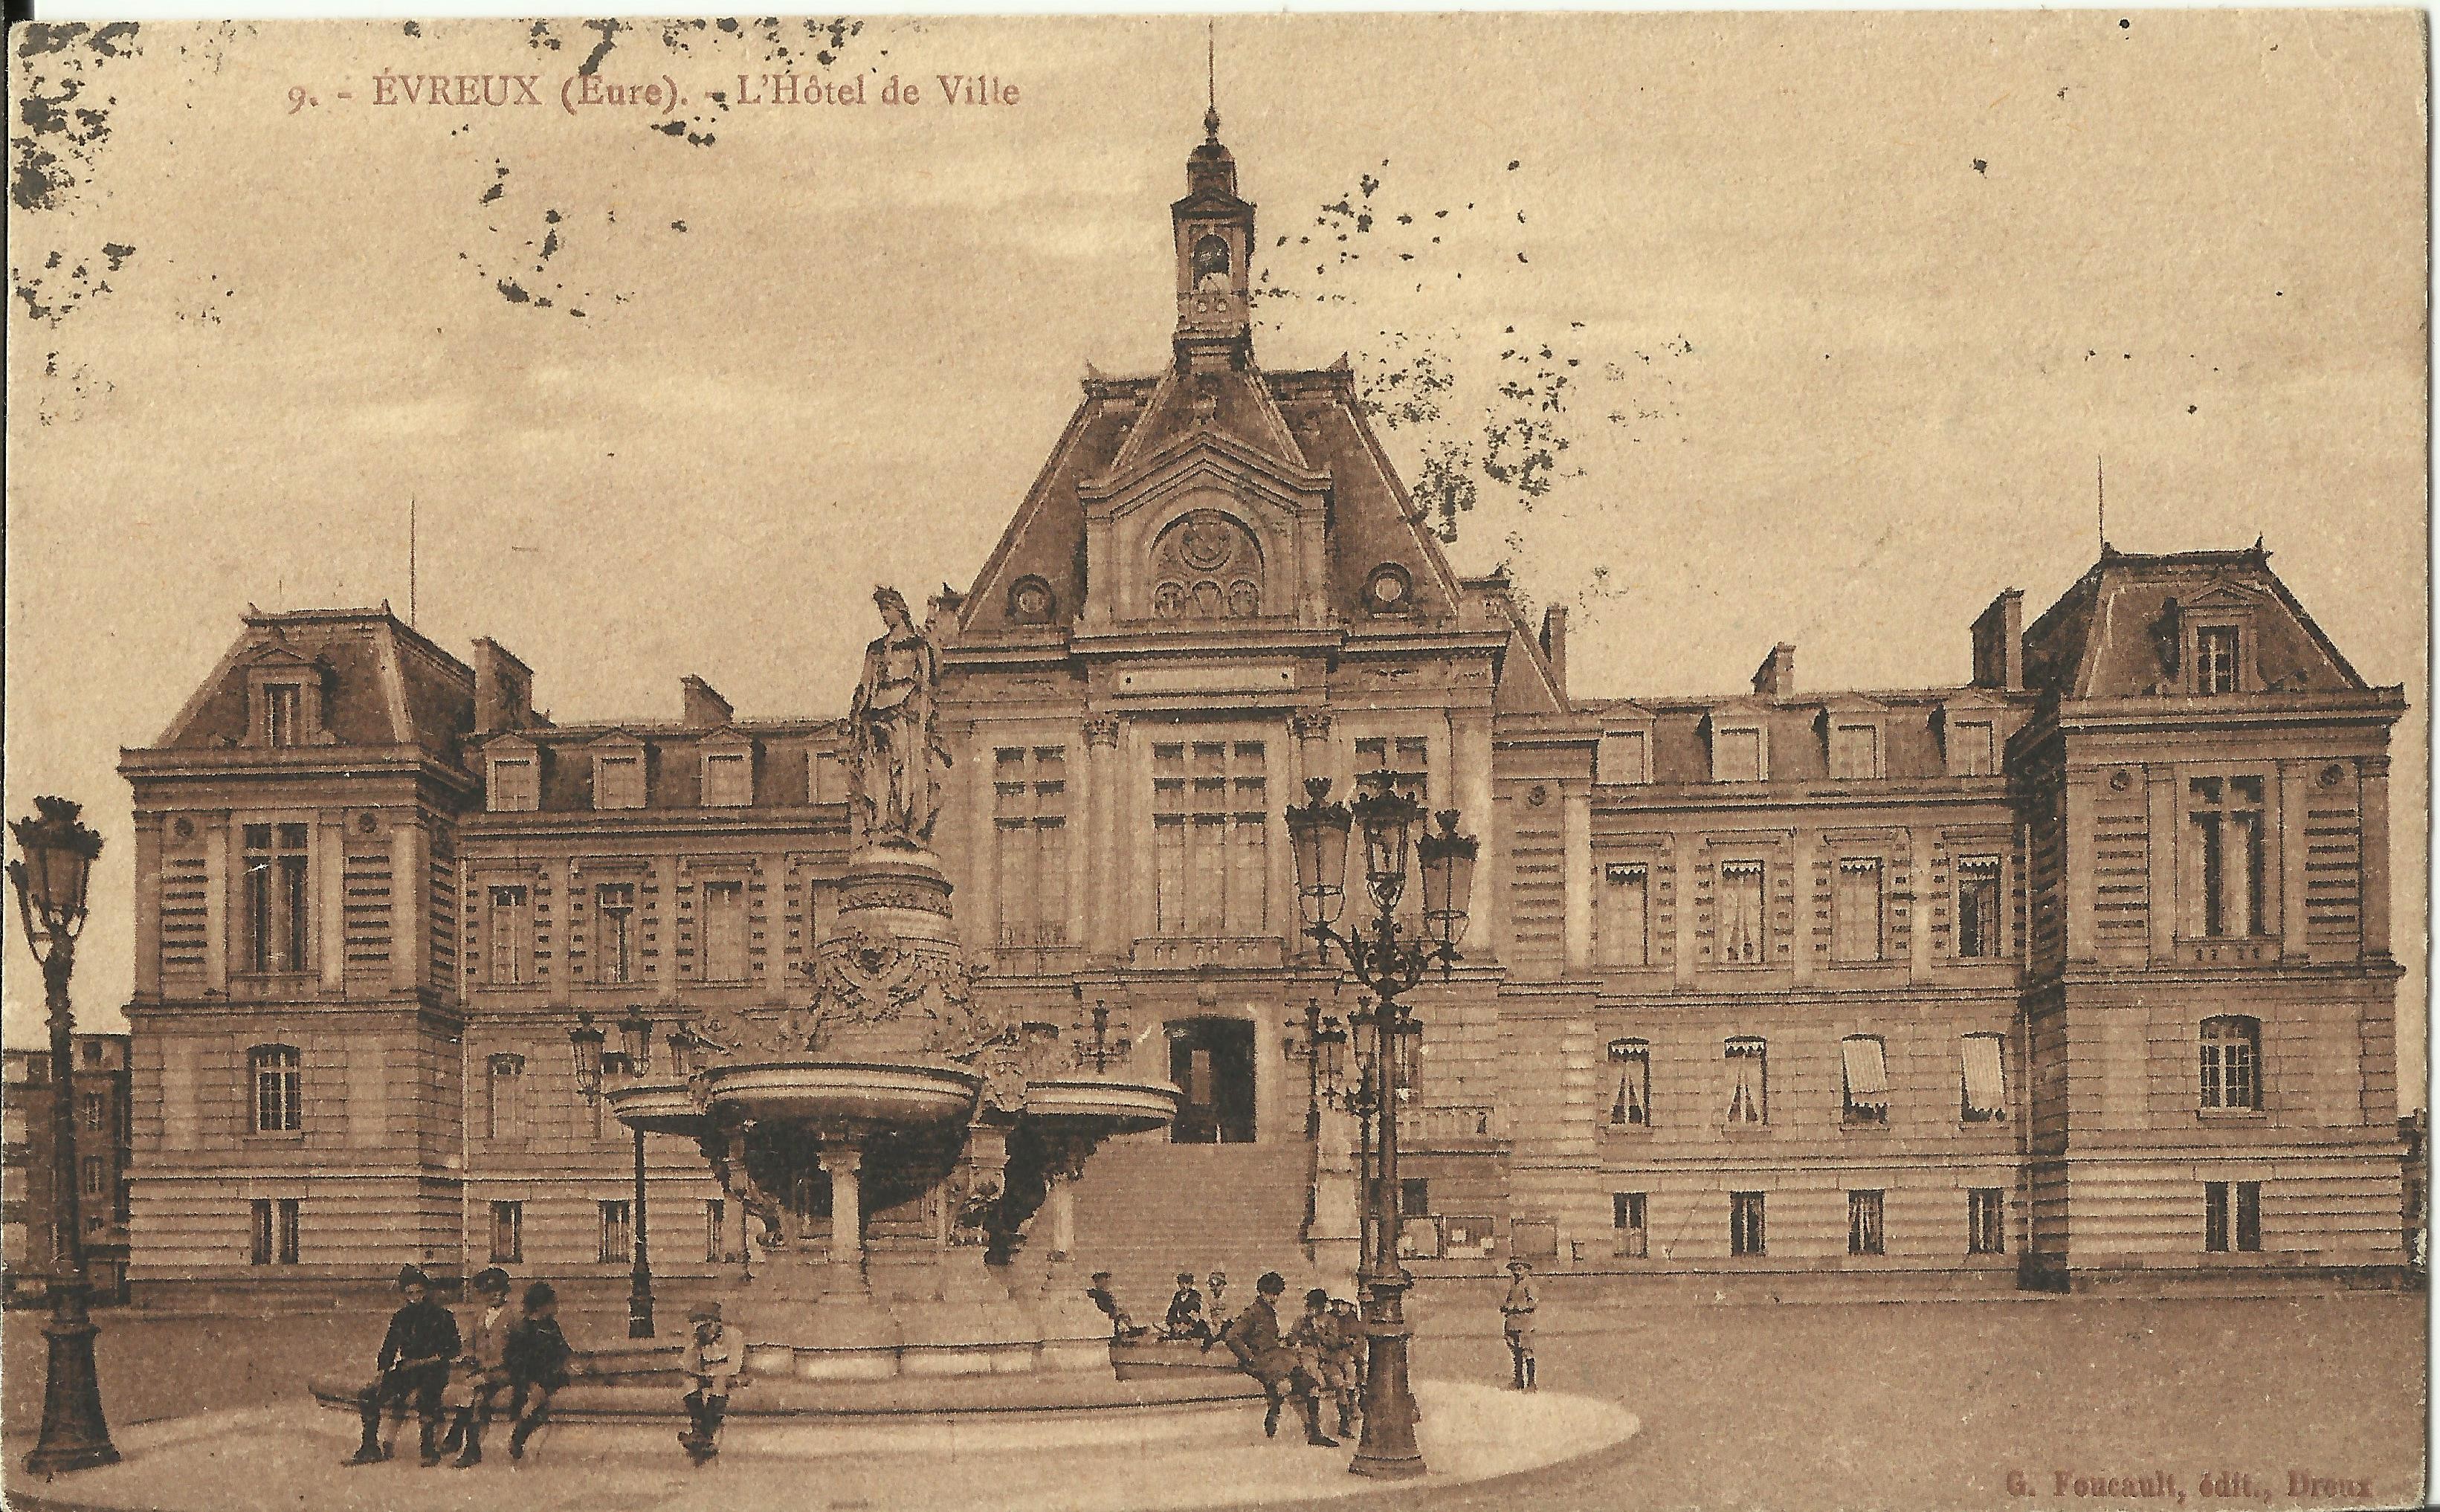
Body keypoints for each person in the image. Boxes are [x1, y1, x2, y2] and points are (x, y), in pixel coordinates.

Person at [347, 1264, 462, 1467]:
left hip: (434, 1369)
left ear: (426, 1291)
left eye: (419, 1292)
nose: (415, 1297)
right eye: (410, 1294)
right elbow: (389, 1348)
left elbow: (453, 1349)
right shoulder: (401, 1317)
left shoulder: (443, 1316)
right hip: (408, 1370)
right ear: (404, 1295)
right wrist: (381, 1374)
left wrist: (426, 1361)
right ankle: (370, 1447)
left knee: (426, 1396)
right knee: (369, 1395)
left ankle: (429, 1448)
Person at [1217, 1272, 1336, 1447]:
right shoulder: (1252, 1312)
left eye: (1277, 1294)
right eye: (1270, 1294)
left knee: (1312, 1387)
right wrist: (1249, 1357)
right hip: (1261, 1361)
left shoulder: (1269, 1312)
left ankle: (1315, 1433)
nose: (1274, 1298)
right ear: (1261, 1292)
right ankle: (1273, 1414)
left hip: (1278, 1358)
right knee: (1284, 1385)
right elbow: (1232, 1336)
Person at [438, 1267, 515, 1467]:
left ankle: (467, 1446)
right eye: (489, 1291)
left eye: (498, 1290)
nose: (494, 1295)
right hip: (481, 1371)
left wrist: (490, 1366)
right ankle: (461, 1443)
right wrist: (468, 1356)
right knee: (471, 1391)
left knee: (474, 1393)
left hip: (503, 1371)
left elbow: (516, 1351)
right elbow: (470, 1342)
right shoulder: (480, 1316)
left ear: (506, 1291)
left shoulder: (514, 1318)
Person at [503, 1280, 576, 1460]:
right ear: (541, 1306)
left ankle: (525, 1422)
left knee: (545, 1395)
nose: (557, 1307)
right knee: (536, 1405)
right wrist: (531, 1384)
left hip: (550, 1376)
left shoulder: (551, 1326)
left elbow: (562, 1349)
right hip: (530, 1378)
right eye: (554, 1303)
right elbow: (516, 1361)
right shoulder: (524, 1330)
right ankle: (519, 1436)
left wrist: (570, 1363)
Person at [678, 1302, 742, 1466]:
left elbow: (735, 1366)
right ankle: (700, 1433)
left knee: (719, 1383)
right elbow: (688, 1367)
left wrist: (711, 1372)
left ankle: (703, 1433)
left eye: (706, 1327)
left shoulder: (733, 1336)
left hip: (730, 1376)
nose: (703, 1332)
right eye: (698, 1328)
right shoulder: (698, 1341)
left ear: (715, 1323)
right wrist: (696, 1348)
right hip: (708, 1376)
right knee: (689, 1384)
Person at [1321, 1296, 1365, 1437]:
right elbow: (1325, 1340)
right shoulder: (1328, 1319)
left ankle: (1352, 1404)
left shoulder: (1354, 1322)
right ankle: (1344, 1421)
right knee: (1339, 1381)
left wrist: (1353, 1351)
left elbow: (1360, 1344)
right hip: (1330, 1359)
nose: (1339, 1308)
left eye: (1343, 1304)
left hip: (1347, 1358)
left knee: (1351, 1373)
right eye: (1336, 1304)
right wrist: (1342, 1342)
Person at [1501, 1258, 1538, 1391]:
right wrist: (1506, 1306)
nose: (1516, 1272)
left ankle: (1531, 1383)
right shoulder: (1513, 1286)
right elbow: (1508, 1301)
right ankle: (1518, 1381)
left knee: (1527, 1352)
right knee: (1516, 1353)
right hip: (1513, 1324)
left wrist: (1519, 1306)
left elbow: (1533, 1303)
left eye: (1520, 1269)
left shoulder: (1529, 1284)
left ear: (1526, 1270)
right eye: (1514, 1270)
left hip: (1525, 1324)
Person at [1086, 1271, 1149, 1343]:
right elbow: (1108, 1308)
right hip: (1111, 1316)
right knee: (1121, 1314)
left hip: (1113, 1316)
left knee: (1123, 1314)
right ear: (1099, 1282)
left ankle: (1129, 1330)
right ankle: (1129, 1330)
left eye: (1106, 1279)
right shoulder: (1100, 1294)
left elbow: (1112, 1307)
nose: (1107, 1282)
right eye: (1104, 1280)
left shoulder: (1104, 1293)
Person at [1162, 1271, 1210, 1342]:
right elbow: (1172, 1310)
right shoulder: (1177, 1295)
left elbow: (1196, 1313)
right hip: (1180, 1323)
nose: (1185, 1286)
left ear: (1191, 1284)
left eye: (1187, 1283)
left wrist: (1188, 1325)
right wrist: (1173, 1324)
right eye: (1182, 1283)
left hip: (1192, 1323)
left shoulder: (1196, 1295)